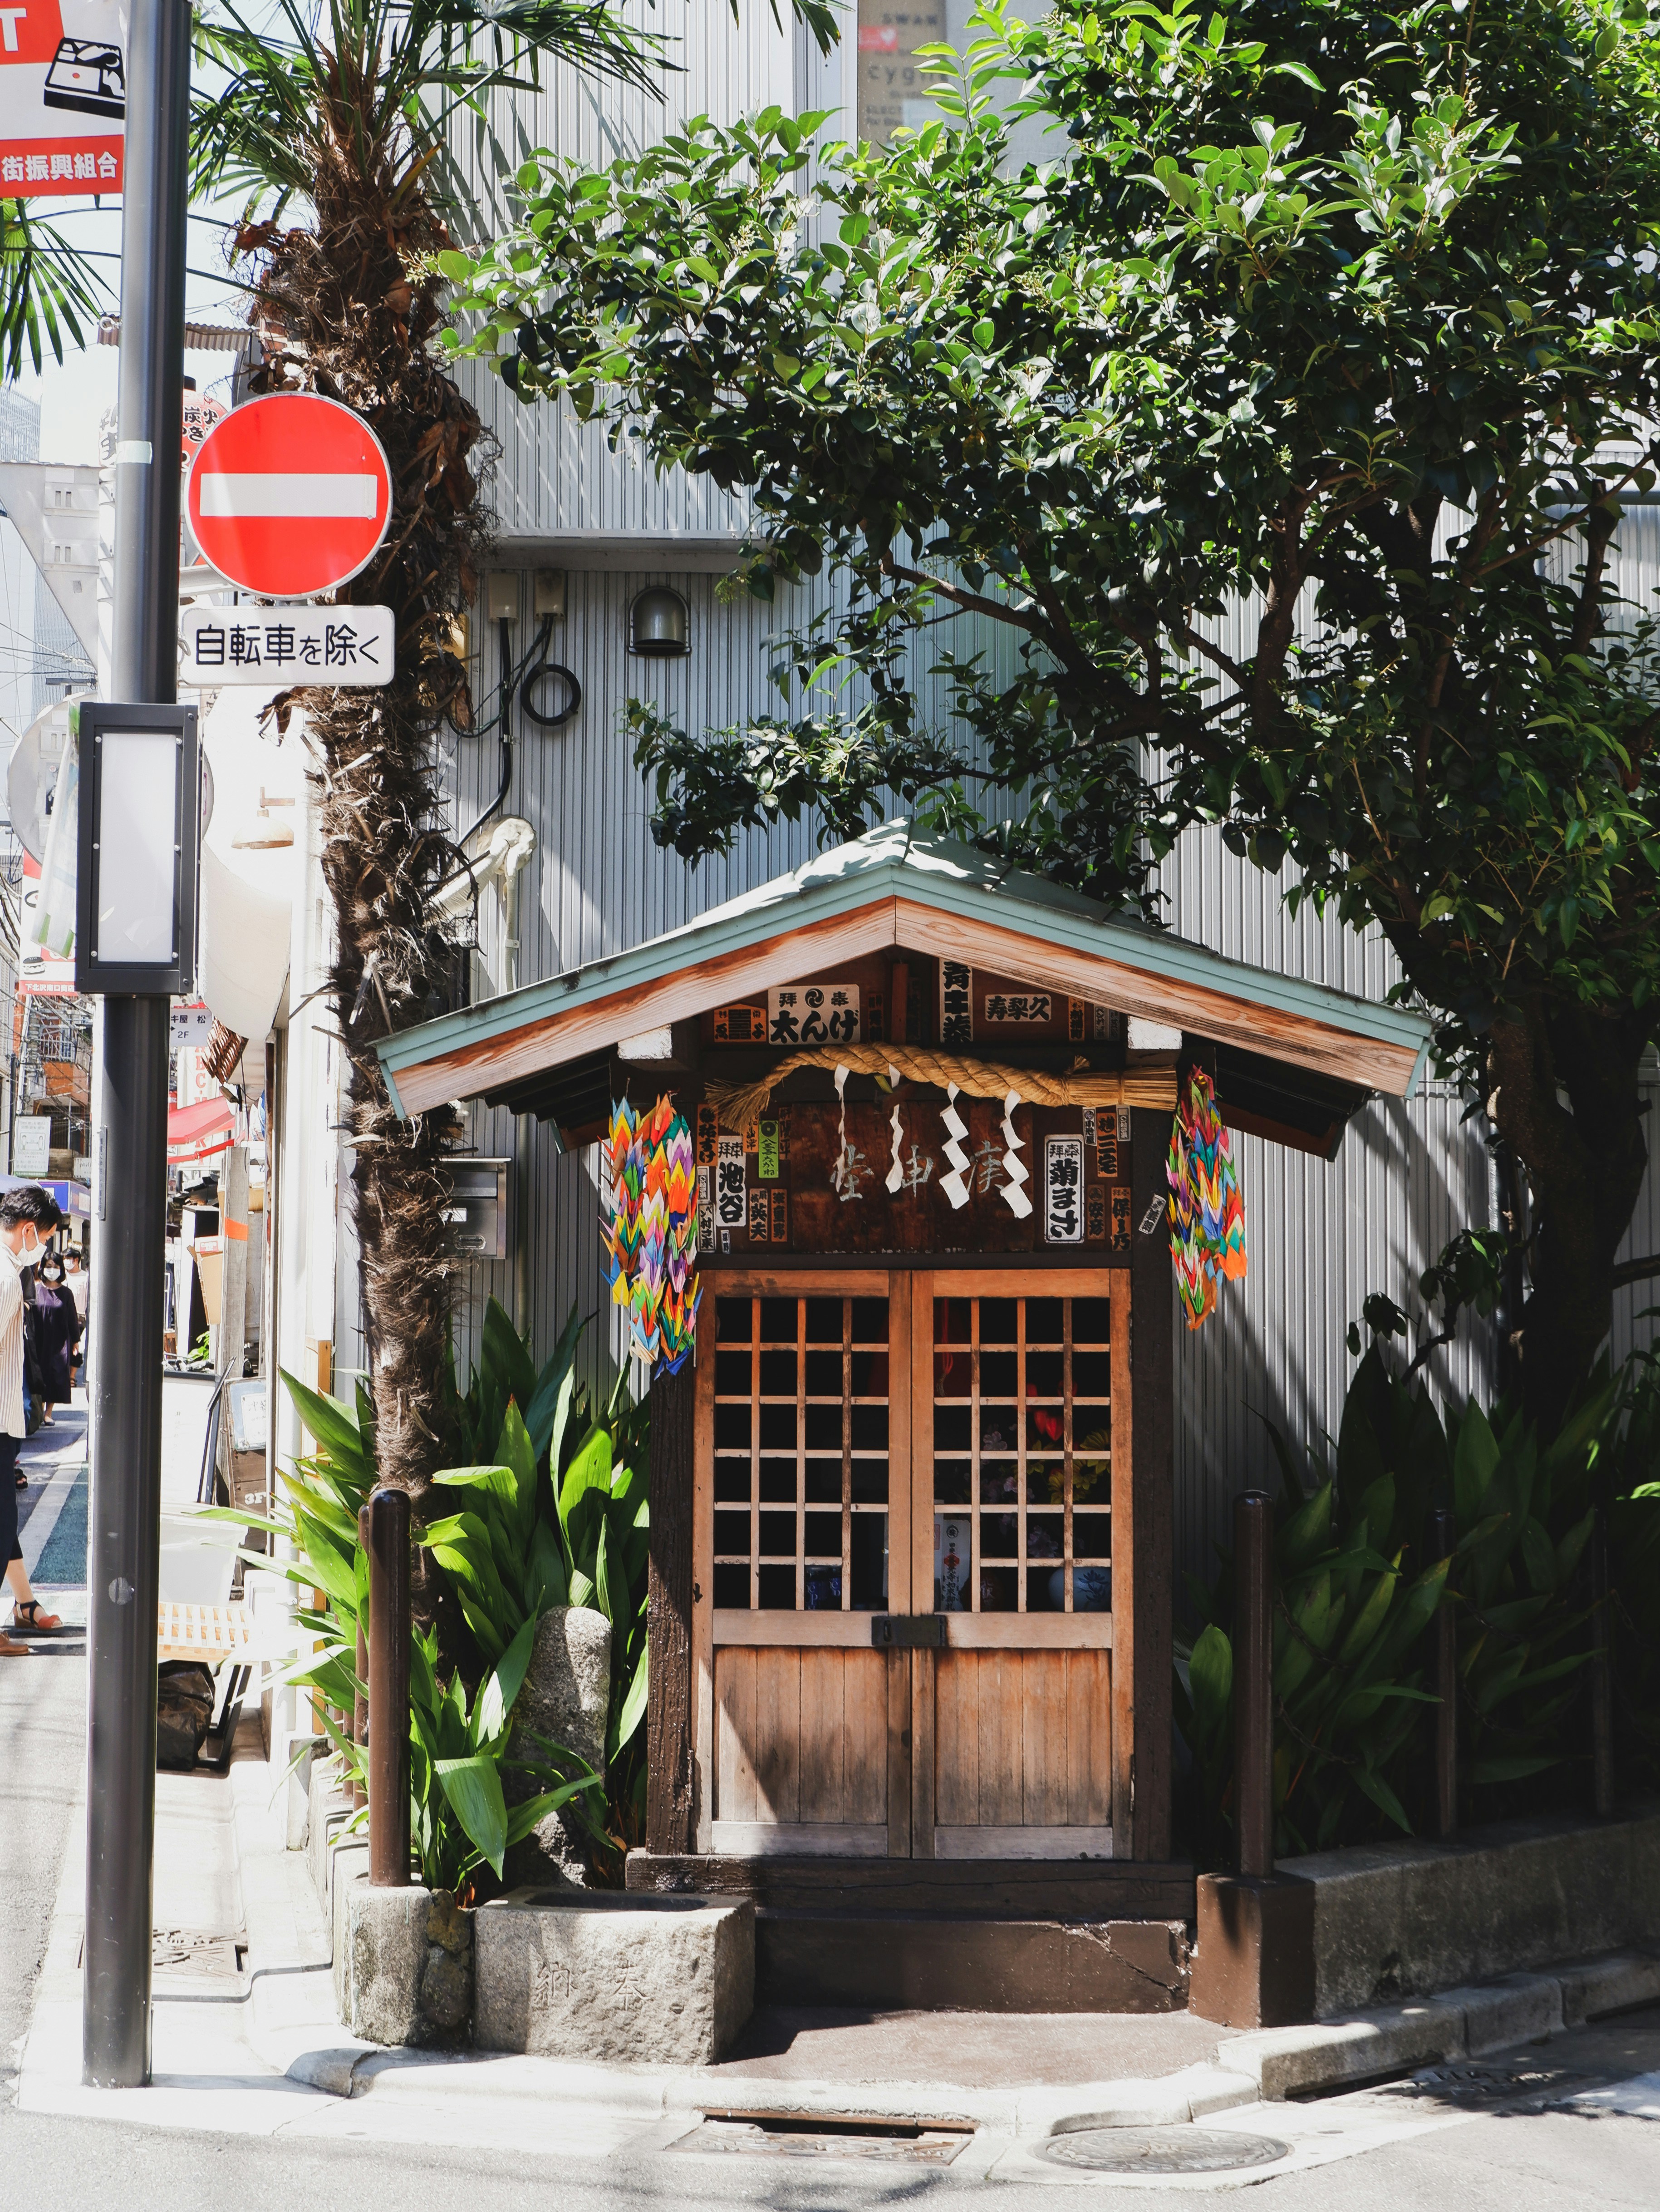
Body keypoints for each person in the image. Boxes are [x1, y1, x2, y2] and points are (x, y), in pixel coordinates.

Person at [0, 1186, 64, 1655]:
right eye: (45, 1239)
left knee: (4, 1514)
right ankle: (22, 1607)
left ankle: (24, 1602)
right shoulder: (5, 1277)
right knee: (2, 1516)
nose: (44, 1251)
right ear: (27, 1231)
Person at [30, 1249, 81, 1428]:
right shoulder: (35, 1291)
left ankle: (48, 1413)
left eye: (56, 1266)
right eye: (49, 1266)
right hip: (39, 1340)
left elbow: (72, 1318)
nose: (52, 1270)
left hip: (60, 1342)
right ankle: (37, 1412)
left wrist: (75, 1341)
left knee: (56, 1375)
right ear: (43, 1268)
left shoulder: (66, 1294)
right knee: (39, 1375)